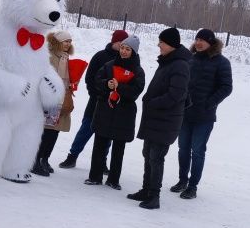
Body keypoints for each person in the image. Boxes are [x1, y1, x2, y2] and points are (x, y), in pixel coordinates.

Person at [127, 27, 191, 210]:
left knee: (156, 157)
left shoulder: (180, 65)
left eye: (161, 42)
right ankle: (146, 190)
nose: (158, 45)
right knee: (148, 154)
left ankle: (154, 196)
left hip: (166, 120)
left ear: (170, 44)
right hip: (156, 118)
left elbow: (176, 95)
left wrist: (153, 102)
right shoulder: (168, 61)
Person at [172, 27, 233, 199]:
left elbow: (226, 87)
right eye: (197, 39)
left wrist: (210, 103)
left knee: (197, 151)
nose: (198, 43)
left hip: (204, 116)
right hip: (185, 113)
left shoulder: (221, 62)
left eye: (202, 40)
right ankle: (182, 180)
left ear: (210, 42)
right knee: (182, 149)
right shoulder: (190, 59)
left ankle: (192, 186)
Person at [58, 29, 129, 169]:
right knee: (86, 129)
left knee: (107, 134)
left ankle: (102, 162)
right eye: (120, 43)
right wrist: (95, 93)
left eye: (124, 44)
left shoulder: (125, 60)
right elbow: (89, 77)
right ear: (114, 41)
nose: (122, 46)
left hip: (112, 103)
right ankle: (72, 156)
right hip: (96, 101)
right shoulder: (100, 56)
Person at [84, 34, 145, 190]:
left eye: (128, 49)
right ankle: (94, 176)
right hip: (105, 110)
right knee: (99, 145)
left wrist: (120, 88)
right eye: (123, 48)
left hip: (124, 114)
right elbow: (97, 80)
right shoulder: (109, 65)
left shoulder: (138, 70)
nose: (124, 51)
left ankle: (113, 179)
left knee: (119, 149)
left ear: (134, 52)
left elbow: (136, 91)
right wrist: (107, 84)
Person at [32, 29, 75, 176]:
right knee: (45, 130)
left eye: (70, 42)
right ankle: (35, 160)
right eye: (65, 41)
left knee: (55, 131)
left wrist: (72, 84)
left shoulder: (67, 58)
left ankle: (45, 158)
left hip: (61, 99)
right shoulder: (48, 56)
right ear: (57, 42)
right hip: (48, 98)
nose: (68, 44)